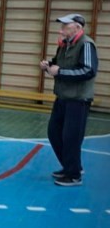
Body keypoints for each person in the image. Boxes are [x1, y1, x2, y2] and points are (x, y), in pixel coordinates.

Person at [40, 13, 98, 187]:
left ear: (78, 28)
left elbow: (88, 71)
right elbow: (59, 64)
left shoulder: (86, 45)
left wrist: (60, 72)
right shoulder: (64, 45)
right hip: (63, 97)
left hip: (78, 99)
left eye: (66, 26)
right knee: (54, 133)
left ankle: (73, 175)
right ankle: (71, 167)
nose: (61, 30)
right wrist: (48, 66)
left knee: (71, 137)